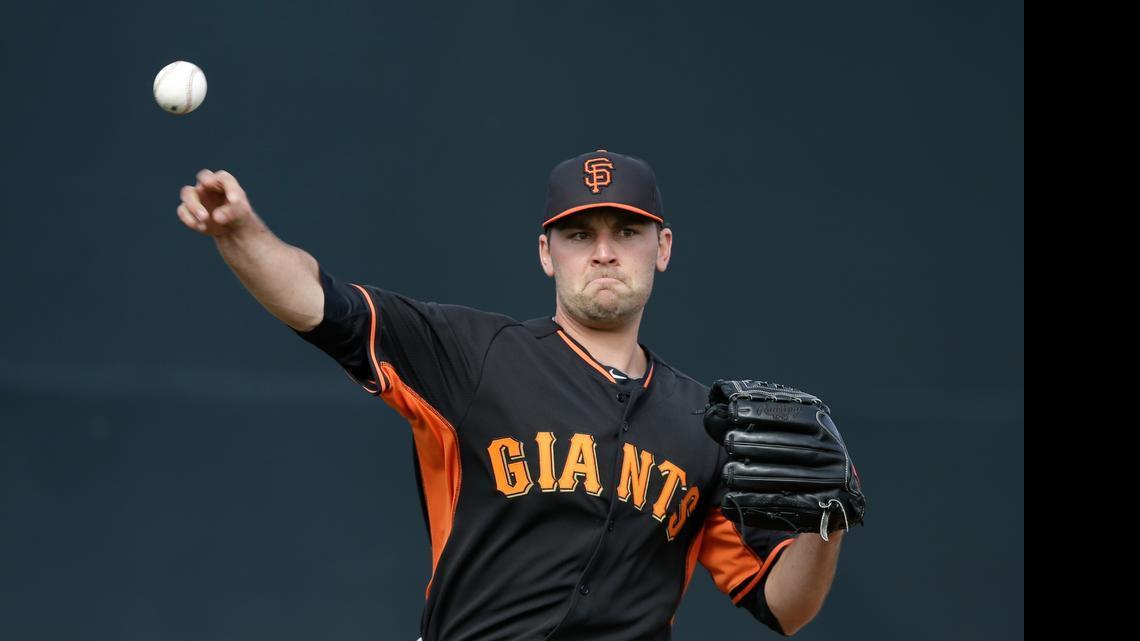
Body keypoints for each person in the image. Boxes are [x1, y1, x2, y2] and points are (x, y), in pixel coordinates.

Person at [175, 150, 845, 640]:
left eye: (627, 232)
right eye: (580, 234)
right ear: (546, 253)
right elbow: (323, 305)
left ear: (662, 247)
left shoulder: (707, 423)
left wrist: (827, 518)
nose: (604, 252)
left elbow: (783, 603)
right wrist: (241, 233)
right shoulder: (473, 357)